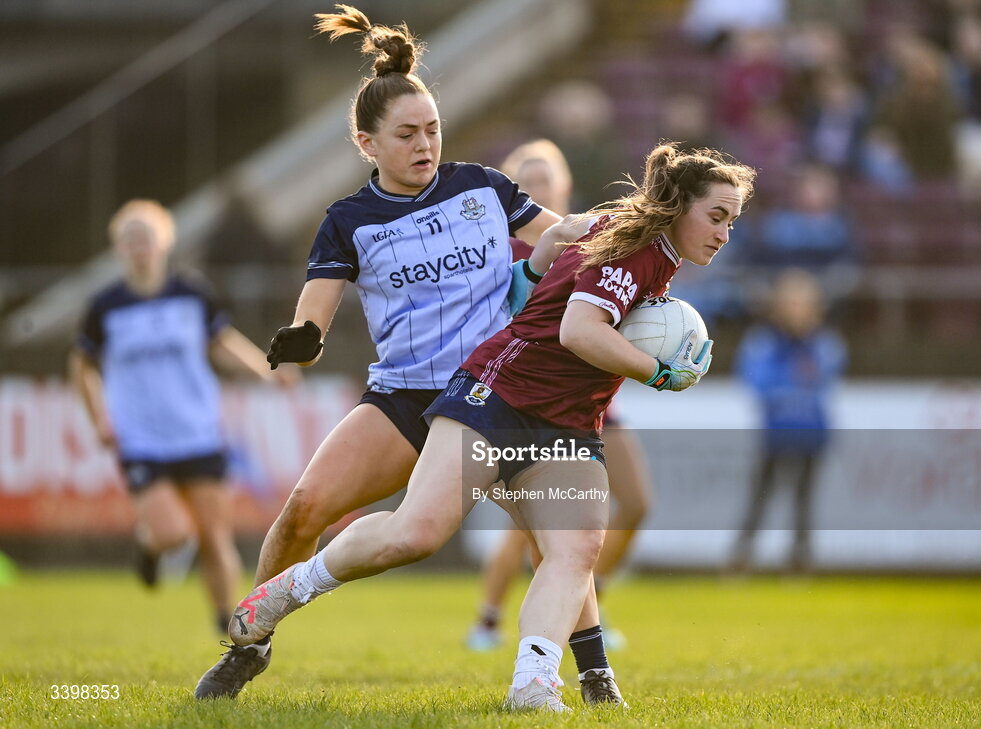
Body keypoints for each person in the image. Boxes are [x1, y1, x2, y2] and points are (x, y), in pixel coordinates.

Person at [226, 144, 755, 711]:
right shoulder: (641, 251)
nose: (724, 233)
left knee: (576, 547)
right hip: (498, 396)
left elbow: (553, 243)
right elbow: (579, 330)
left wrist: (542, 273)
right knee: (416, 534)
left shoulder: (636, 239)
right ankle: (289, 589)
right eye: (716, 216)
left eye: (732, 220)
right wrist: (659, 371)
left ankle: (534, 683)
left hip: (566, 421)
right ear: (678, 206)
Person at [194, 5, 570, 699]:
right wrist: (298, 342)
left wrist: (636, 229)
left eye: (432, 129)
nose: (424, 144)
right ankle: (252, 640)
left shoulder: (482, 187)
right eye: (406, 134)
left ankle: (592, 674)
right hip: (404, 397)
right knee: (304, 509)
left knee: (564, 540)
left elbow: (566, 238)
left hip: (492, 393)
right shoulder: (348, 221)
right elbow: (315, 313)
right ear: (367, 142)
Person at [466, 139, 654, 654]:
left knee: (636, 504)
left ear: (565, 186)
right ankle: (488, 620)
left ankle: (592, 601)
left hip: (594, 400)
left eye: (547, 178)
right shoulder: (509, 250)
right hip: (529, 399)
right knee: (536, 529)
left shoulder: (597, 243)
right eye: (527, 182)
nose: (539, 188)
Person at [69, 199, 285, 632]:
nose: (138, 247)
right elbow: (82, 365)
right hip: (141, 438)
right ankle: (151, 548)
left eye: (145, 237)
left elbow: (220, 343)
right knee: (173, 534)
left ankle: (230, 626)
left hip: (198, 431)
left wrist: (265, 371)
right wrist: (99, 419)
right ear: (119, 249)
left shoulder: (191, 293)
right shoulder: (105, 307)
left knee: (213, 534)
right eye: (129, 240)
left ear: (163, 242)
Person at [728, 269, 846, 574]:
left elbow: (827, 374)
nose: (797, 310)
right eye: (791, 303)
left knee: (804, 502)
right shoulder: (764, 343)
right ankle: (742, 560)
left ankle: (800, 563)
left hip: (811, 433)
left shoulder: (824, 343)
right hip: (776, 434)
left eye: (803, 303)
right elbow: (755, 380)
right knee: (760, 498)